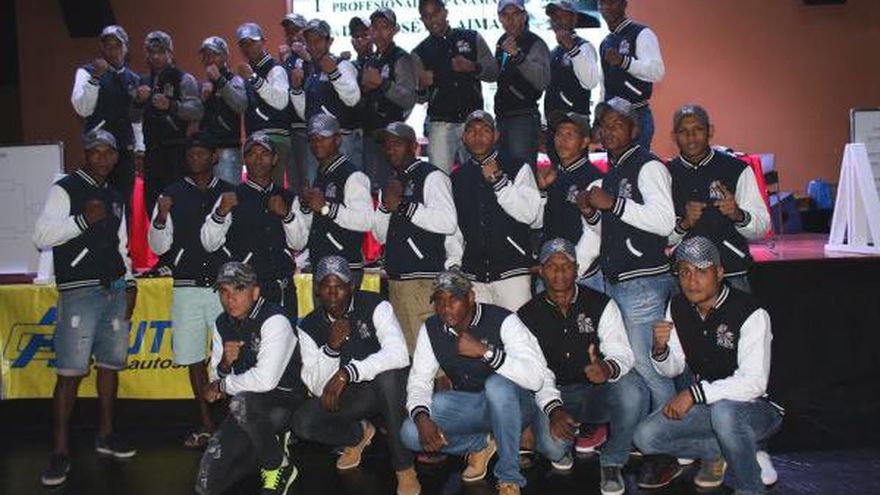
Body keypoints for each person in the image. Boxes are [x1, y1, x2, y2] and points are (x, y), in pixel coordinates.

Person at [580, 97, 681, 488]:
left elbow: (664, 221)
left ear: (635, 130)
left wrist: (613, 203)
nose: (608, 130)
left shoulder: (648, 165)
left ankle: (665, 451)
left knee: (652, 372)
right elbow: (614, 228)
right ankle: (646, 443)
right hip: (620, 282)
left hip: (643, 283)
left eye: (617, 124)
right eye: (604, 125)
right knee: (636, 372)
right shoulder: (614, 170)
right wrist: (593, 214)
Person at [634, 236, 783, 495]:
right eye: (685, 272)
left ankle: (751, 488)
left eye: (701, 271)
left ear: (720, 272)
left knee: (725, 413)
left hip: (758, 408)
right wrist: (660, 350)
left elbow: (754, 383)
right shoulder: (678, 305)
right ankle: (732, 450)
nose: (692, 281)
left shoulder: (750, 311)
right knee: (645, 437)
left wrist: (694, 394)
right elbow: (673, 368)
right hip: (709, 406)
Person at [34, 130, 138, 487]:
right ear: (86, 154)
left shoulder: (114, 196)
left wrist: (130, 283)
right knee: (70, 372)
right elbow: (41, 237)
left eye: (109, 152)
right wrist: (81, 221)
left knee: (110, 366)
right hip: (79, 291)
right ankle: (60, 451)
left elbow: (121, 246)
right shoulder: (65, 189)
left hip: (115, 289)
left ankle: (105, 435)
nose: (103, 158)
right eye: (96, 151)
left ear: (116, 157)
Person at [399, 269, 561, 495]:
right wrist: (421, 417)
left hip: (516, 405)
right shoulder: (432, 328)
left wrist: (485, 352)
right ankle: (483, 442)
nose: (446, 307)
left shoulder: (503, 320)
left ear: (470, 297)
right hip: (473, 405)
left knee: (497, 386)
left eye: (453, 299)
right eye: (439, 300)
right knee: (410, 432)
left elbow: (536, 378)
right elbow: (419, 381)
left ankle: (509, 477)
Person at [519, 239, 649, 495]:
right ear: (541, 271)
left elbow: (622, 352)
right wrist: (554, 410)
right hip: (555, 394)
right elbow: (535, 372)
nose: (559, 272)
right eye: (551, 266)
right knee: (553, 450)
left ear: (577, 270)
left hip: (596, 392)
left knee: (634, 390)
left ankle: (612, 461)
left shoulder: (601, 303)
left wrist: (608, 368)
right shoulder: (526, 315)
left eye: (566, 266)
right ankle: (569, 434)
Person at [291, 256, 419, 495]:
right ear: (317, 290)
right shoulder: (308, 326)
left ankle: (404, 468)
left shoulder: (376, 305)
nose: (332, 293)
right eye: (326, 286)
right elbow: (316, 387)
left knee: (389, 379)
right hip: (354, 398)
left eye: (339, 286)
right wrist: (331, 350)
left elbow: (399, 354)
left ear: (351, 287)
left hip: (388, 391)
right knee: (302, 423)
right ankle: (358, 435)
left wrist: (348, 372)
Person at [148, 131, 234, 448]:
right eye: (191, 153)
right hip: (186, 287)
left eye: (201, 153)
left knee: (231, 354)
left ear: (215, 157)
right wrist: (161, 216)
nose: (195, 158)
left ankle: (234, 423)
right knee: (194, 358)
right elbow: (158, 246)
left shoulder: (229, 192)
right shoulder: (171, 194)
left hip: (223, 288)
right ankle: (206, 424)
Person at [195, 262, 307, 495]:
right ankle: (268, 448)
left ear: (255, 292)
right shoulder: (221, 323)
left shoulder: (274, 319)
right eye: (224, 291)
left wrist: (222, 385)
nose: (230, 298)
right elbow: (215, 376)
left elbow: (265, 381)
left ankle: (278, 466)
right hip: (246, 407)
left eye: (238, 289)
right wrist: (225, 365)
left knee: (242, 403)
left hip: (285, 400)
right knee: (207, 483)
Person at [371, 121, 458, 352]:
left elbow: (448, 222)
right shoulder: (391, 181)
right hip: (397, 279)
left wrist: (403, 206)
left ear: (414, 147)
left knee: (429, 352)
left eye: (397, 144)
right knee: (409, 352)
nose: (390, 149)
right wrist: (385, 206)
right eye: (387, 145)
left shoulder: (431, 176)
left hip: (423, 279)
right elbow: (380, 236)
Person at [200, 132, 308, 317]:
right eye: (252, 154)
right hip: (245, 292)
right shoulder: (231, 197)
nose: (258, 160)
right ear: (244, 159)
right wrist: (220, 213)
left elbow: (299, 244)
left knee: (285, 336)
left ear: (274, 159)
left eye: (264, 154)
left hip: (282, 289)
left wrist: (287, 215)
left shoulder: (289, 198)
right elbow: (209, 244)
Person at [667, 105, 770, 293]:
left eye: (698, 129)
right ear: (674, 136)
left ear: (710, 131)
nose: (691, 136)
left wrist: (738, 215)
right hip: (685, 277)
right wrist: (684, 224)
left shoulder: (736, 169)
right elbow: (659, 238)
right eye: (683, 131)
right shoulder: (665, 174)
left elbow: (762, 227)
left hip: (731, 272)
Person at [450, 110, 541, 311]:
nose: (478, 136)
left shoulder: (518, 167)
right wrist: (455, 264)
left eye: (484, 130)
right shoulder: (458, 177)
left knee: (518, 328)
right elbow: (454, 228)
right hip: (473, 274)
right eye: (472, 131)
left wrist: (499, 182)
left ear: (496, 135)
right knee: (480, 329)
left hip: (512, 271)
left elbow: (531, 215)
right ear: (463, 137)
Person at [412, 0, 498, 173]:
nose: (432, 20)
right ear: (421, 19)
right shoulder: (419, 52)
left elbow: (494, 72)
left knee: (480, 176)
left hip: (473, 121)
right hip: (440, 123)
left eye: (435, 13)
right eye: (426, 16)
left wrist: (473, 67)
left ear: (445, 12)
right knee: (439, 178)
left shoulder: (471, 37)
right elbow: (420, 98)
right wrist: (421, 86)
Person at [70, 25, 141, 216]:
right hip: (97, 151)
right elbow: (82, 109)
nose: (112, 50)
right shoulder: (86, 72)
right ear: (102, 48)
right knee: (95, 202)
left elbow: (136, 120)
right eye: (108, 45)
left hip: (124, 151)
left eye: (117, 45)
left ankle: (122, 236)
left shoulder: (134, 79)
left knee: (123, 205)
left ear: (126, 48)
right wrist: (95, 79)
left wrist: (140, 147)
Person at [134, 31, 204, 216]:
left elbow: (197, 110)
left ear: (170, 53)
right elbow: (133, 117)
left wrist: (172, 106)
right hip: (151, 152)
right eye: (152, 52)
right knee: (153, 207)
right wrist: (138, 101)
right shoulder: (143, 81)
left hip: (177, 153)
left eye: (160, 52)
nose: (156, 56)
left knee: (179, 205)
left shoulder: (184, 79)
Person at [299, 114, 373, 285]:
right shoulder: (322, 174)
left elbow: (366, 221)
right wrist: (307, 207)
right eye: (313, 138)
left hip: (345, 269)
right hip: (321, 266)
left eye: (323, 138)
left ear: (338, 140)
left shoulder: (352, 175)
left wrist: (326, 208)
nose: (317, 143)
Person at [536, 111, 604, 291]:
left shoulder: (594, 178)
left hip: (582, 275)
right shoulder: (550, 175)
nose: (562, 140)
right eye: (559, 134)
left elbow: (596, 233)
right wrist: (541, 191)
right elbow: (537, 223)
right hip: (549, 273)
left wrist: (572, 271)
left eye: (570, 135)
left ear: (584, 141)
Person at [290, 19, 362, 184]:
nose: (313, 46)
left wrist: (334, 73)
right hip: (315, 143)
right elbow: (306, 114)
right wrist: (296, 90)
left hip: (340, 141)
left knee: (344, 189)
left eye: (318, 41)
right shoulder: (311, 70)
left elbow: (353, 98)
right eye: (309, 42)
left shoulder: (343, 65)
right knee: (316, 190)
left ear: (329, 41)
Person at [360, 7, 417, 189]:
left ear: (394, 30)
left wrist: (382, 84)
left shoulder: (401, 58)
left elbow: (409, 98)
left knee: (390, 188)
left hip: (391, 136)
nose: (379, 32)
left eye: (384, 27)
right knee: (371, 188)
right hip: (369, 133)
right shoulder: (370, 59)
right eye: (375, 27)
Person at [597, 0, 665, 150]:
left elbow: (657, 72)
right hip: (611, 116)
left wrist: (624, 62)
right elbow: (604, 83)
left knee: (636, 163)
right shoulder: (605, 42)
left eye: (611, 2)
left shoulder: (641, 33)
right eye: (602, 3)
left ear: (623, 4)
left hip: (636, 114)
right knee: (616, 165)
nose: (606, 7)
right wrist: (599, 120)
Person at [494, 0, 551, 167]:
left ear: (524, 16)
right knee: (505, 171)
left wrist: (518, 56)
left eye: (515, 14)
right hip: (502, 115)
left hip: (523, 116)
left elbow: (543, 80)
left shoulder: (535, 43)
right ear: (499, 18)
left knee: (522, 172)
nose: (510, 19)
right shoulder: (502, 41)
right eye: (505, 15)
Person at [236, 23, 293, 188]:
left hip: (275, 137)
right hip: (256, 137)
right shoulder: (250, 70)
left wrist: (253, 79)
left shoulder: (276, 69)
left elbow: (281, 102)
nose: (248, 48)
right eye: (243, 44)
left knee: (272, 191)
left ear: (263, 42)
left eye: (252, 42)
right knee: (258, 190)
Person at [543, 1, 601, 162]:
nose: (558, 20)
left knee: (576, 171)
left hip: (574, 123)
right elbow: (550, 91)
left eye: (562, 15)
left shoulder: (584, 47)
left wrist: (573, 49)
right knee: (557, 172)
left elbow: (590, 82)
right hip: (554, 125)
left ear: (574, 18)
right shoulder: (554, 51)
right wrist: (544, 125)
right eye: (554, 17)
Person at [197, 36, 247, 185]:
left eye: (214, 54)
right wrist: (202, 100)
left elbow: (241, 105)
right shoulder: (202, 85)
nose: (209, 59)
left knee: (227, 195)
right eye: (206, 55)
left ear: (225, 56)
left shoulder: (234, 80)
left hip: (227, 149)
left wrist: (220, 81)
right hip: (205, 150)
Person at [280, 13, 311, 193]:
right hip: (289, 128)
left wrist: (306, 56)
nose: (293, 35)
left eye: (296, 30)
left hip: (307, 129)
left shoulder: (313, 55)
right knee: (293, 184)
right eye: (289, 31)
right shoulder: (287, 59)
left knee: (309, 180)